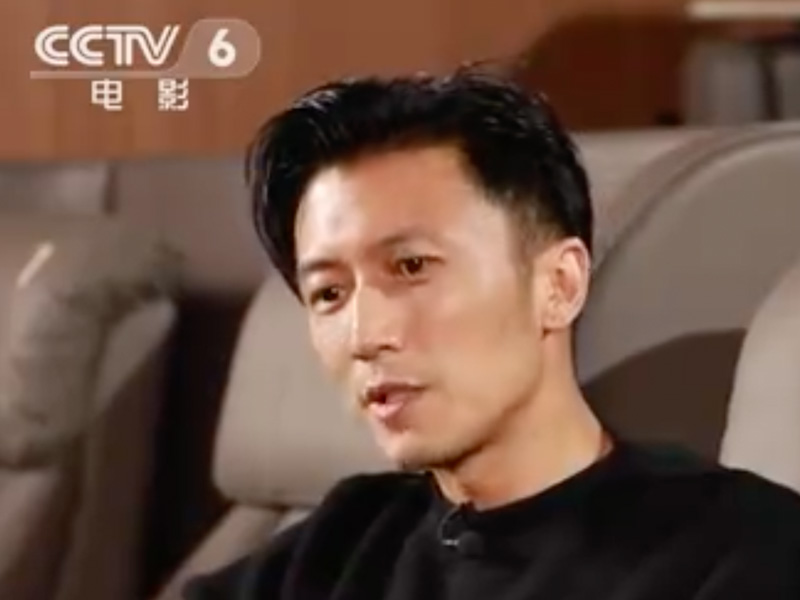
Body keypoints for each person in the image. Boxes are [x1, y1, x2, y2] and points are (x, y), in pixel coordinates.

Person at [185, 70, 800, 599]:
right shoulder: (341, 543)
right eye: (328, 294)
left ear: (559, 285)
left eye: (412, 267)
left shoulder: (737, 549)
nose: (364, 334)